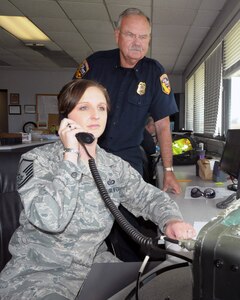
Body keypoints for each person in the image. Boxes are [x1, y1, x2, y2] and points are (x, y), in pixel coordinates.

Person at [0, 79, 195, 300]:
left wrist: (171, 220)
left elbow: (148, 196)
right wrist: (70, 157)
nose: (96, 115)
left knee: (180, 283)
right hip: (40, 272)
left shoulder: (113, 165)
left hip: (94, 266)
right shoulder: (36, 160)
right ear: (66, 118)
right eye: (84, 107)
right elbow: (50, 220)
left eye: (101, 108)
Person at [73, 7, 181, 261]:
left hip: (127, 160)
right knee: (85, 221)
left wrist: (169, 171)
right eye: (131, 35)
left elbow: (163, 125)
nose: (137, 43)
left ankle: (128, 273)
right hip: (89, 155)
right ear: (117, 35)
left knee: (128, 227)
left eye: (143, 37)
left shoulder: (155, 73)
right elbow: (72, 108)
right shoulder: (95, 65)